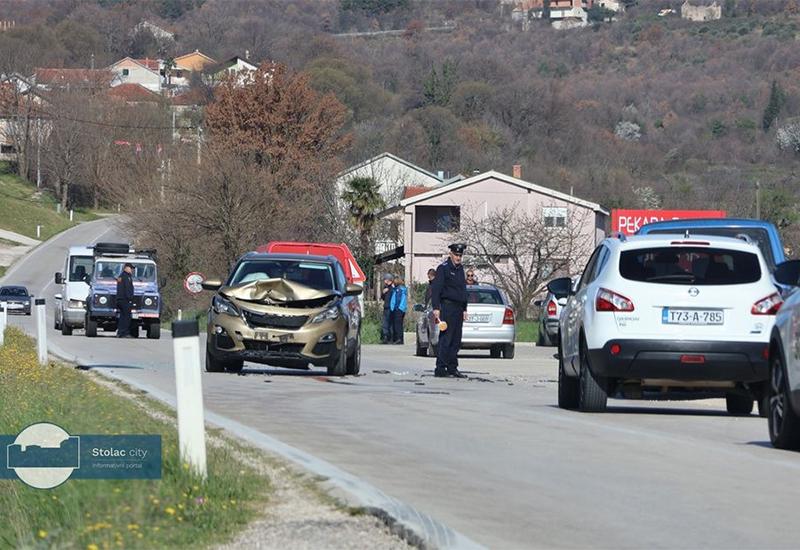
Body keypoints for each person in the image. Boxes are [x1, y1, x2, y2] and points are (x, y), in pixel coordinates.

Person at [430, 243, 468, 378]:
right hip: (447, 307)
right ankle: (440, 368)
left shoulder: (460, 269)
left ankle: (452, 367)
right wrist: (436, 308)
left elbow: (463, 291)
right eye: (456, 255)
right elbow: (436, 289)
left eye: (460, 255)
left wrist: (464, 308)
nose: (458, 257)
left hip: (458, 308)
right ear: (450, 254)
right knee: (446, 338)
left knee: (456, 340)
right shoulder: (443, 269)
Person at [116, 262, 135, 338]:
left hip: (120, 299)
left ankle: (120, 332)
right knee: (127, 317)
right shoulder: (126, 277)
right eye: (131, 268)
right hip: (125, 300)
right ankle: (125, 332)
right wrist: (130, 298)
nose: (132, 270)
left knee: (122, 317)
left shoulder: (121, 276)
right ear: (126, 268)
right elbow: (127, 288)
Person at [389, 276, 408, 344]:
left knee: (397, 325)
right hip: (399, 309)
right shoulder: (398, 289)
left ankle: (398, 338)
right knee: (398, 324)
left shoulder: (399, 290)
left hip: (398, 309)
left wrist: (397, 308)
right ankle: (399, 338)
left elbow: (398, 300)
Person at [380, 273, 395, 344]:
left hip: (391, 308)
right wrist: (383, 293)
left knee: (390, 323)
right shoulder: (385, 288)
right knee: (385, 323)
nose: (384, 281)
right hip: (386, 307)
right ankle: (385, 337)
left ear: (388, 280)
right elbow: (383, 298)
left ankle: (391, 338)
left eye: (385, 279)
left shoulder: (393, 288)